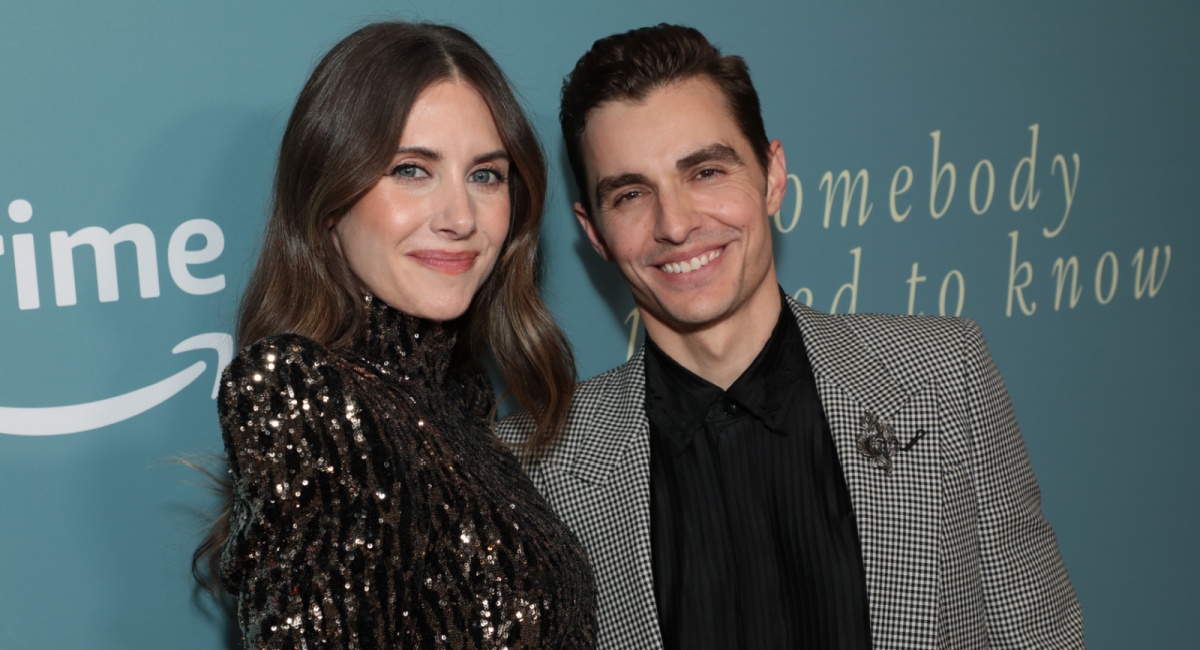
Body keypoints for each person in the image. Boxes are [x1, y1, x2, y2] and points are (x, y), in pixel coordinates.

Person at [497, 23, 1084, 650]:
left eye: (705, 172)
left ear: (773, 176)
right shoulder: (534, 469)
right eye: (632, 193)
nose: (675, 224)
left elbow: (1037, 635)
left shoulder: (945, 373)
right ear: (594, 232)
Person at [193, 22, 596, 649]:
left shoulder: (456, 401)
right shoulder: (302, 390)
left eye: (486, 175)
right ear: (330, 202)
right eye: (412, 170)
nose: (461, 217)